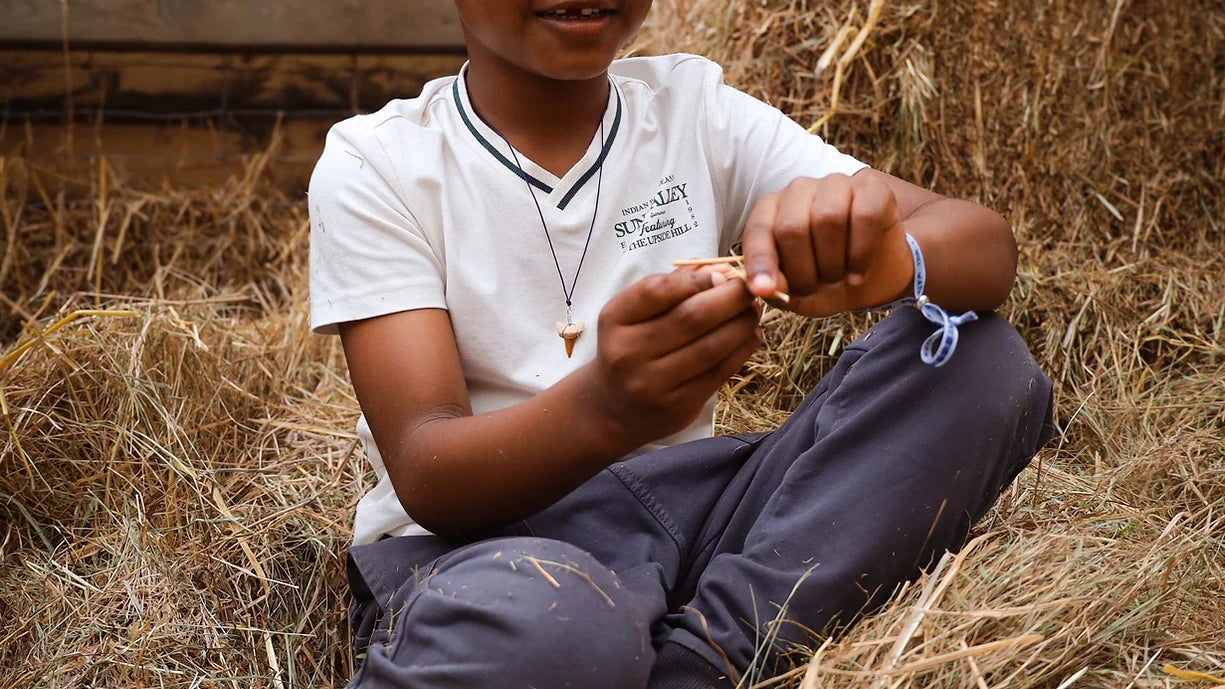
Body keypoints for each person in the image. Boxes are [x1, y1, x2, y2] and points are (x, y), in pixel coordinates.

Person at [307, 1, 1054, 687]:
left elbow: (984, 248)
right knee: (553, 628)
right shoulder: (380, 163)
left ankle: (708, 656)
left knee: (978, 361)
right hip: (474, 558)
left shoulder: (693, 112)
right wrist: (608, 407)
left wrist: (888, 259)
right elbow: (428, 470)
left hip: (684, 517)